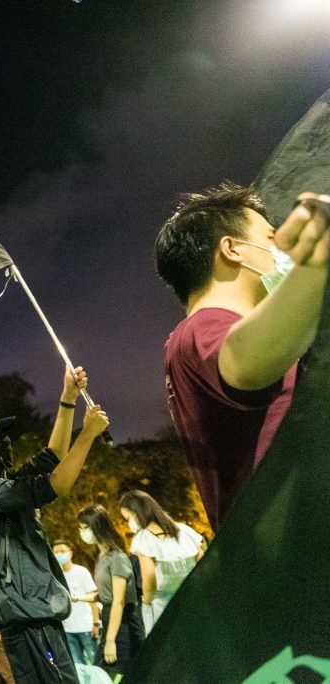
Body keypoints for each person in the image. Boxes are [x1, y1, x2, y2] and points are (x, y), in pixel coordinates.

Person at [155, 184, 329, 529]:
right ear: (232, 249)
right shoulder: (202, 327)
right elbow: (243, 361)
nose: (283, 251)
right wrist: (313, 265)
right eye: (270, 238)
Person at [0, 366, 108, 684]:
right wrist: (87, 434)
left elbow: (51, 459)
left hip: (37, 614)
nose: (5, 444)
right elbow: (55, 484)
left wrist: (68, 398)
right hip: (26, 618)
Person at [117, 490, 205, 634]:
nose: (128, 523)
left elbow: (149, 577)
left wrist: (146, 600)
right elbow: (201, 558)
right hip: (194, 599)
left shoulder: (143, 539)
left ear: (137, 513)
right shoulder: (183, 530)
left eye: (128, 518)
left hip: (164, 605)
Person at [75, 504, 145, 677]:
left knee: (109, 674)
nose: (82, 532)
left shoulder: (116, 558)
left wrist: (110, 640)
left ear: (98, 528)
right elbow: (105, 595)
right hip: (111, 620)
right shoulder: (102, 557)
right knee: (103, 674)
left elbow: (118, 601)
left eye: (85, 528)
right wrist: (76, 598)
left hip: (123, 624)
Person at [50, 539, 98, 667]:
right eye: (56, 552)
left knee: (95, 663)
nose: (59, 554)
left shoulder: (81, 572)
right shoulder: (55, 577)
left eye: (62, 551)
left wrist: (96, 623)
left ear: (70, 553)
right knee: (78, 666)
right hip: (68, 630)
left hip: (86, 627)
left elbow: (93, 597)